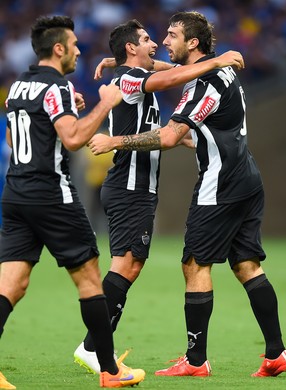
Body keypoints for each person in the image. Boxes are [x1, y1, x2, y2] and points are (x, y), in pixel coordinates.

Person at [87, 11, 286, 378]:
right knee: (247, 266)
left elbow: (168, 136)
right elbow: (174, 74)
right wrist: (120, 62)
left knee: (194, 264)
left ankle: (195, 361)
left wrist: (114, 141)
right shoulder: (222, 71)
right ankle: (276, 353)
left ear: (193, 42)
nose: (164, 41)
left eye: (171, 34)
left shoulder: (203, 85)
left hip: (220, 184)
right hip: (247, 177)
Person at [73, 18, 245, 374]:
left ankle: (94, 344)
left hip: (136, 186)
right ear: (131, 48)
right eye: (148, 39)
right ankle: (92, 346)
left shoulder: (129, 72)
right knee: (125, 265)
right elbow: (166, 78)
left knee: (130, 264)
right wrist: (214, 61)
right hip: (129, 186)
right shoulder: (130, 79)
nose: (156, 44)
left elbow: (168, 68)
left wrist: (116, 61)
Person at [0, 15, 145, 389]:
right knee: (91, 279)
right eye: (75, 45)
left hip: (15, 194)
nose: (80, 50)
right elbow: (73, 139)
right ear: (59, 49)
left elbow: (19, 141)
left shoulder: (18, 87)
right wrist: (105, 104)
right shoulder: (57, 86)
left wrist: (66, 110)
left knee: (11, 285)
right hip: (51, 195)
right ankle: (110, 372)